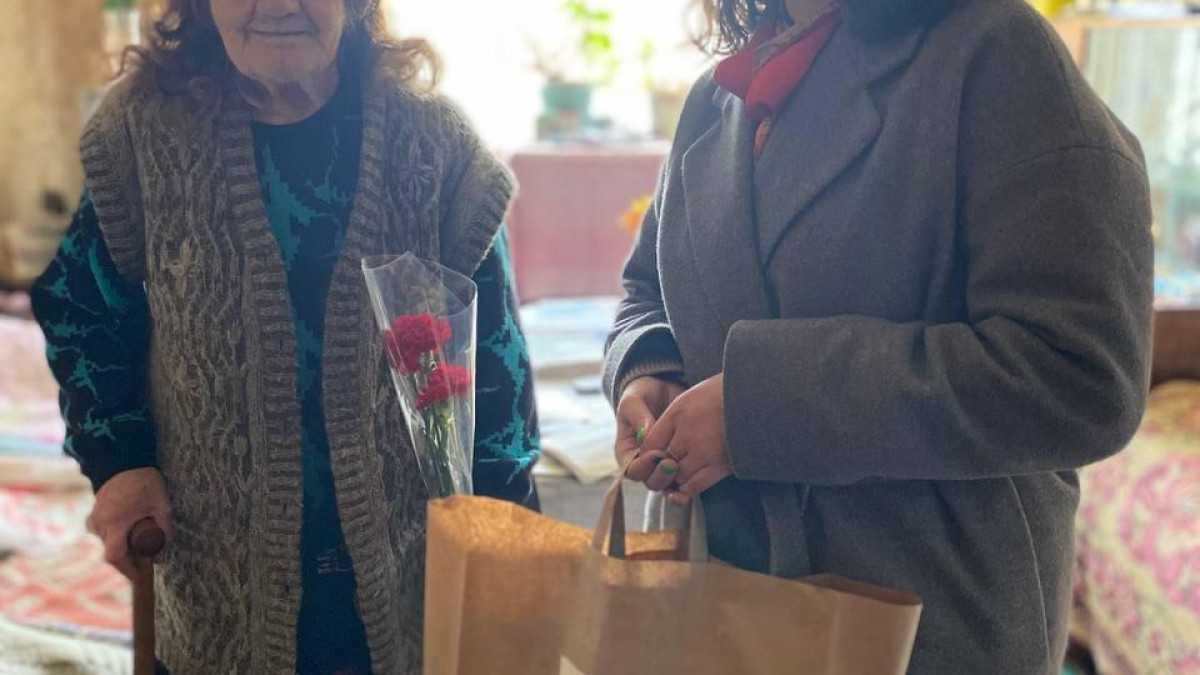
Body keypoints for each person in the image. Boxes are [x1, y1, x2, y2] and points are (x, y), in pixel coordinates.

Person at [605, 0, 1152, 672]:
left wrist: (760, 408)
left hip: (930, 625)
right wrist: (648, 367)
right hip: (723, 603)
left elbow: (1079, 375)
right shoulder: (716, 99)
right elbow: (647, 289)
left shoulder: (997, 54)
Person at [31, 1, 539, 673]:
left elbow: (497, 366)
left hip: (407, 583)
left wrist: (505, 544)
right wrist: (120, 460)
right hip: (218, 588)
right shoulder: (143, 131)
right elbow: (82, 308)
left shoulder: (434, 142)